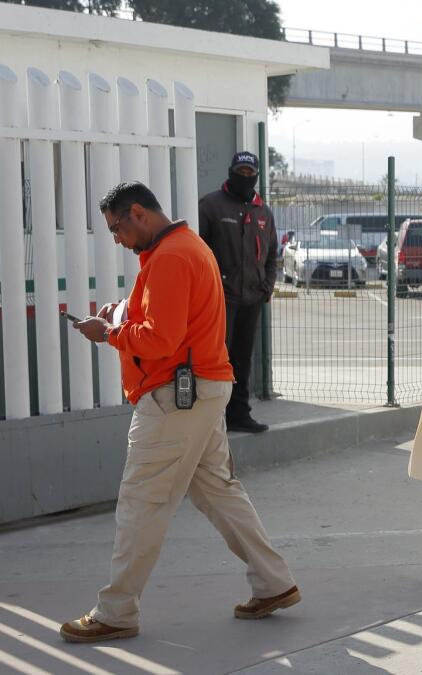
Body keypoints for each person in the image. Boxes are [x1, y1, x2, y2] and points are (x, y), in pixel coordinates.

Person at [61, 182, 299, 644]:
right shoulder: (186, 247)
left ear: (138, 214)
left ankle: (116, 611)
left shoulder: (169, 257)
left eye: (117, 229)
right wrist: (123, 315)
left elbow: (159, 340)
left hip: (175, 396)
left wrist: (108, 333)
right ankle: (273, 583)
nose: (116, 239)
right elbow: (166, 320)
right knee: (217, 491)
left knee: (140, 501)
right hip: (201, 390)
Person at [199, 151, 278, 433]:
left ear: (255, 176)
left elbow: (273, 256)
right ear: (231, 171)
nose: (244, 177)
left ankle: (239, 415)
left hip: (251, 300)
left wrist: (266, 286)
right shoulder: (210, 206)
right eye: (240, 172)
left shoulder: (263, 212)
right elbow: (198, 252)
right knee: (217, 359)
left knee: (242, 360)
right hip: (221, 301)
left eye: (249, 173)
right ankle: (212, 418)